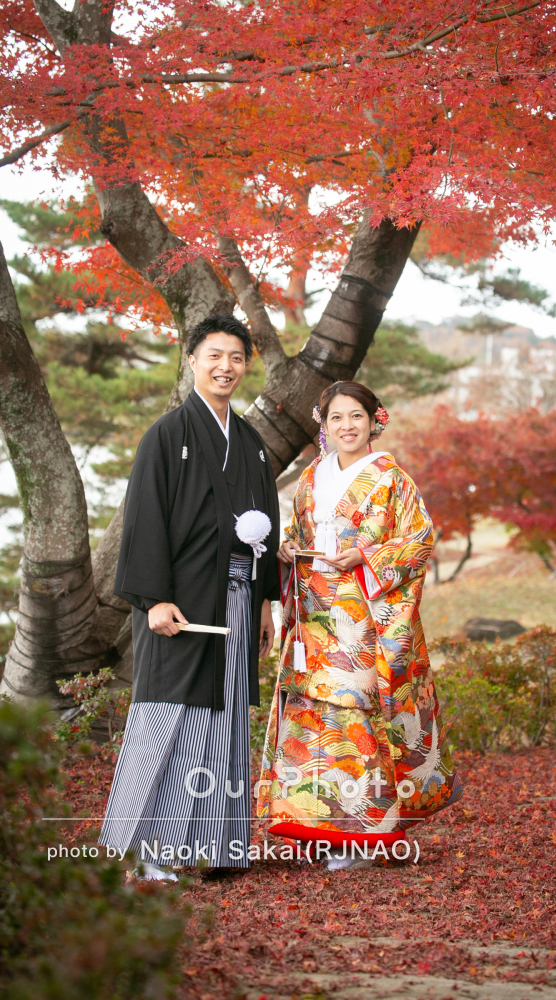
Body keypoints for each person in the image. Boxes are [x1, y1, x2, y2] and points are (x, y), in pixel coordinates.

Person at [99, 313, 280, 880]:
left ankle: (218, 848)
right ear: (192, 359)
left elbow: (266, 523)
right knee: (167, 716)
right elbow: (144, 520)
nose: (225, 367)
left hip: (236, 598)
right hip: (179, 603)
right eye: (214, 355)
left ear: (246, 365)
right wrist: (152, 598)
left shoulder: (250, 443)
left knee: (224, 721)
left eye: (235, 357)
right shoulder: (167, 434)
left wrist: (266, 602)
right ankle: (145, 851)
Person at [257, 380, 462, 871]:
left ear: (375, 420)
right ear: (323, 426)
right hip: (313, 618)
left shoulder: (393, 478)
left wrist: (366, 555)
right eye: (336, 419)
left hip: (364, 619)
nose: (346, 426)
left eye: (356, 416)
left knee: (358, 723)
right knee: (316, 724)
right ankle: (320, 829)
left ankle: (366, 836)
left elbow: (419, 541)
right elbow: (298, 533)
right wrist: (287, 549)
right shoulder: (310, 478)